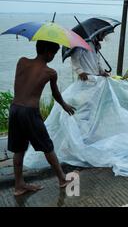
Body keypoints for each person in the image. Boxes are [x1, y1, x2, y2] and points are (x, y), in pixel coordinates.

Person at [8, 40, 76, 196]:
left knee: (19, 149)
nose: (53, 57)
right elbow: (55, 94)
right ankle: (62, 179)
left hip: (15, 108)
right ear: (48, 52)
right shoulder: (50, 72)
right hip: (30, 112)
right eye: (54, 53)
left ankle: (19, 185)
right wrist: (65, 105)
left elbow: (21, 83)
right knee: (47, 146)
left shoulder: (22, 61)